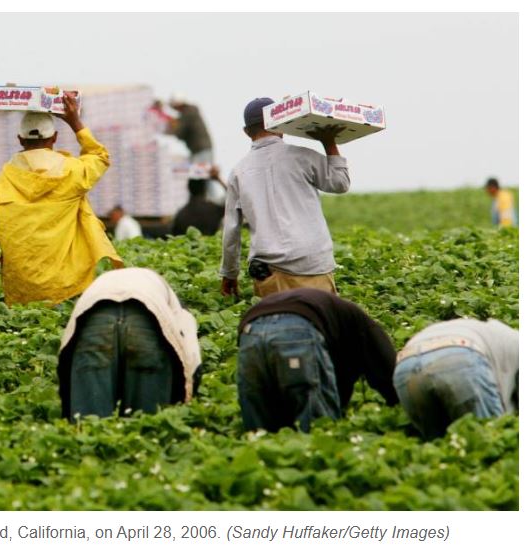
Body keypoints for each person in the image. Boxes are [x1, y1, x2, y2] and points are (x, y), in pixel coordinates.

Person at [0, 94, 122, 313]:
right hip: (69, 286)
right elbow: (100, 156)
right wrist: (75, 122)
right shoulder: (72, 173)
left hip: (23, 293)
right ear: (55, 137)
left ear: (20, 139)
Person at [220, 97, 349, 299]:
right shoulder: (304, 157)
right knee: (319, 325)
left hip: (269, 271)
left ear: (246, 132)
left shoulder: (238, 172)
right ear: (280, 123)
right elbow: (340, 183)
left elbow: (231, 231)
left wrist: (229, 273)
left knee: (278, 328)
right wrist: (329, 142)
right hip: (313, 264)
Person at [236, 288, 398, 433]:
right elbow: (388, 369)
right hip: (297, 327)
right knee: (319, 430)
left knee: (259, 431)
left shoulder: (339, 319)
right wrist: (397, 404)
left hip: (250, 331)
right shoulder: (364, 326)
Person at [57, 268, 202, 420]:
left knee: (89, 422)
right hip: (146, 323)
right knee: (146, 423)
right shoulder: (176, 307)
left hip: (95, 318)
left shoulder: (104, 280)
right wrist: (189, 394)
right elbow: (192, 357)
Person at [393, 318, 518, 439]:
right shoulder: (517, 342)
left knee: (439, 447)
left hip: (405, 364)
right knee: (487, 438)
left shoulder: (494, 334)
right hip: (458, 355)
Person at [167, 93, 221, 203]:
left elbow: (179, 132)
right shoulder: (190, 111)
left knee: (202, 176)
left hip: (201, 151)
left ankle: (211, 201)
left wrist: (170, 126)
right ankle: (210, 201)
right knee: (203, 177)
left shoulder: (188, 113)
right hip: (200, 150)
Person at [171, 165, 225, 235]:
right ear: (204, 189)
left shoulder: (181, 214)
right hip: (210, 245)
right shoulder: (213, 209)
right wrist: (218, 179)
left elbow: (175, 236)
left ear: (188, 188)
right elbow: (234, 198)